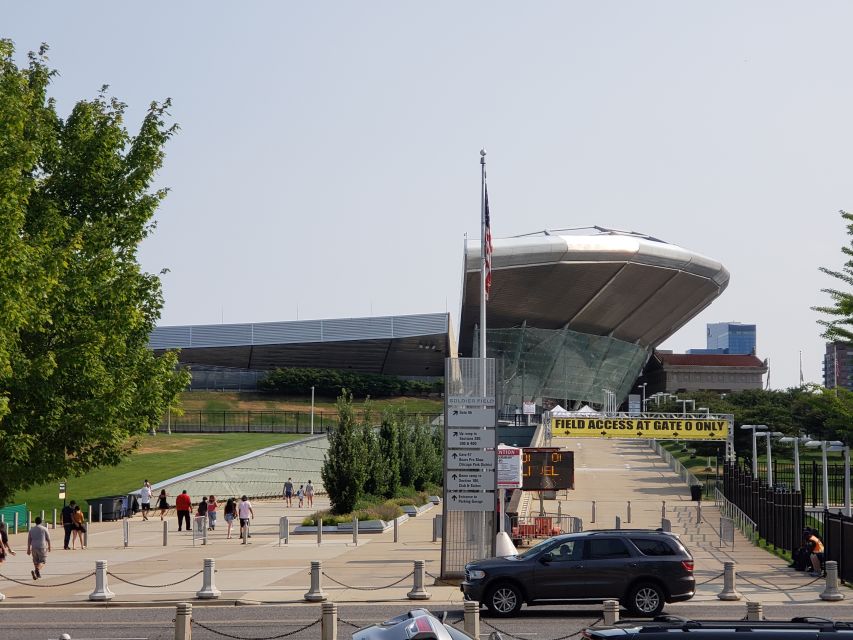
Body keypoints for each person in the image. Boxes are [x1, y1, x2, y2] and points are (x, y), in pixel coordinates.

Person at [27, 516, 51, 580]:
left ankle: (36, 574)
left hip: (34, 547)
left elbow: (29, 540)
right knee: (42, 561)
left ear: (35, 522)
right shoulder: (44, 529)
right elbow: (48, 539)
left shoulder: (31, 529)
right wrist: (49, 547)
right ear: (41, 522)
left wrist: (28, 549)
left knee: (36, 561)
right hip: (42, 547)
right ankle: (37, 570)